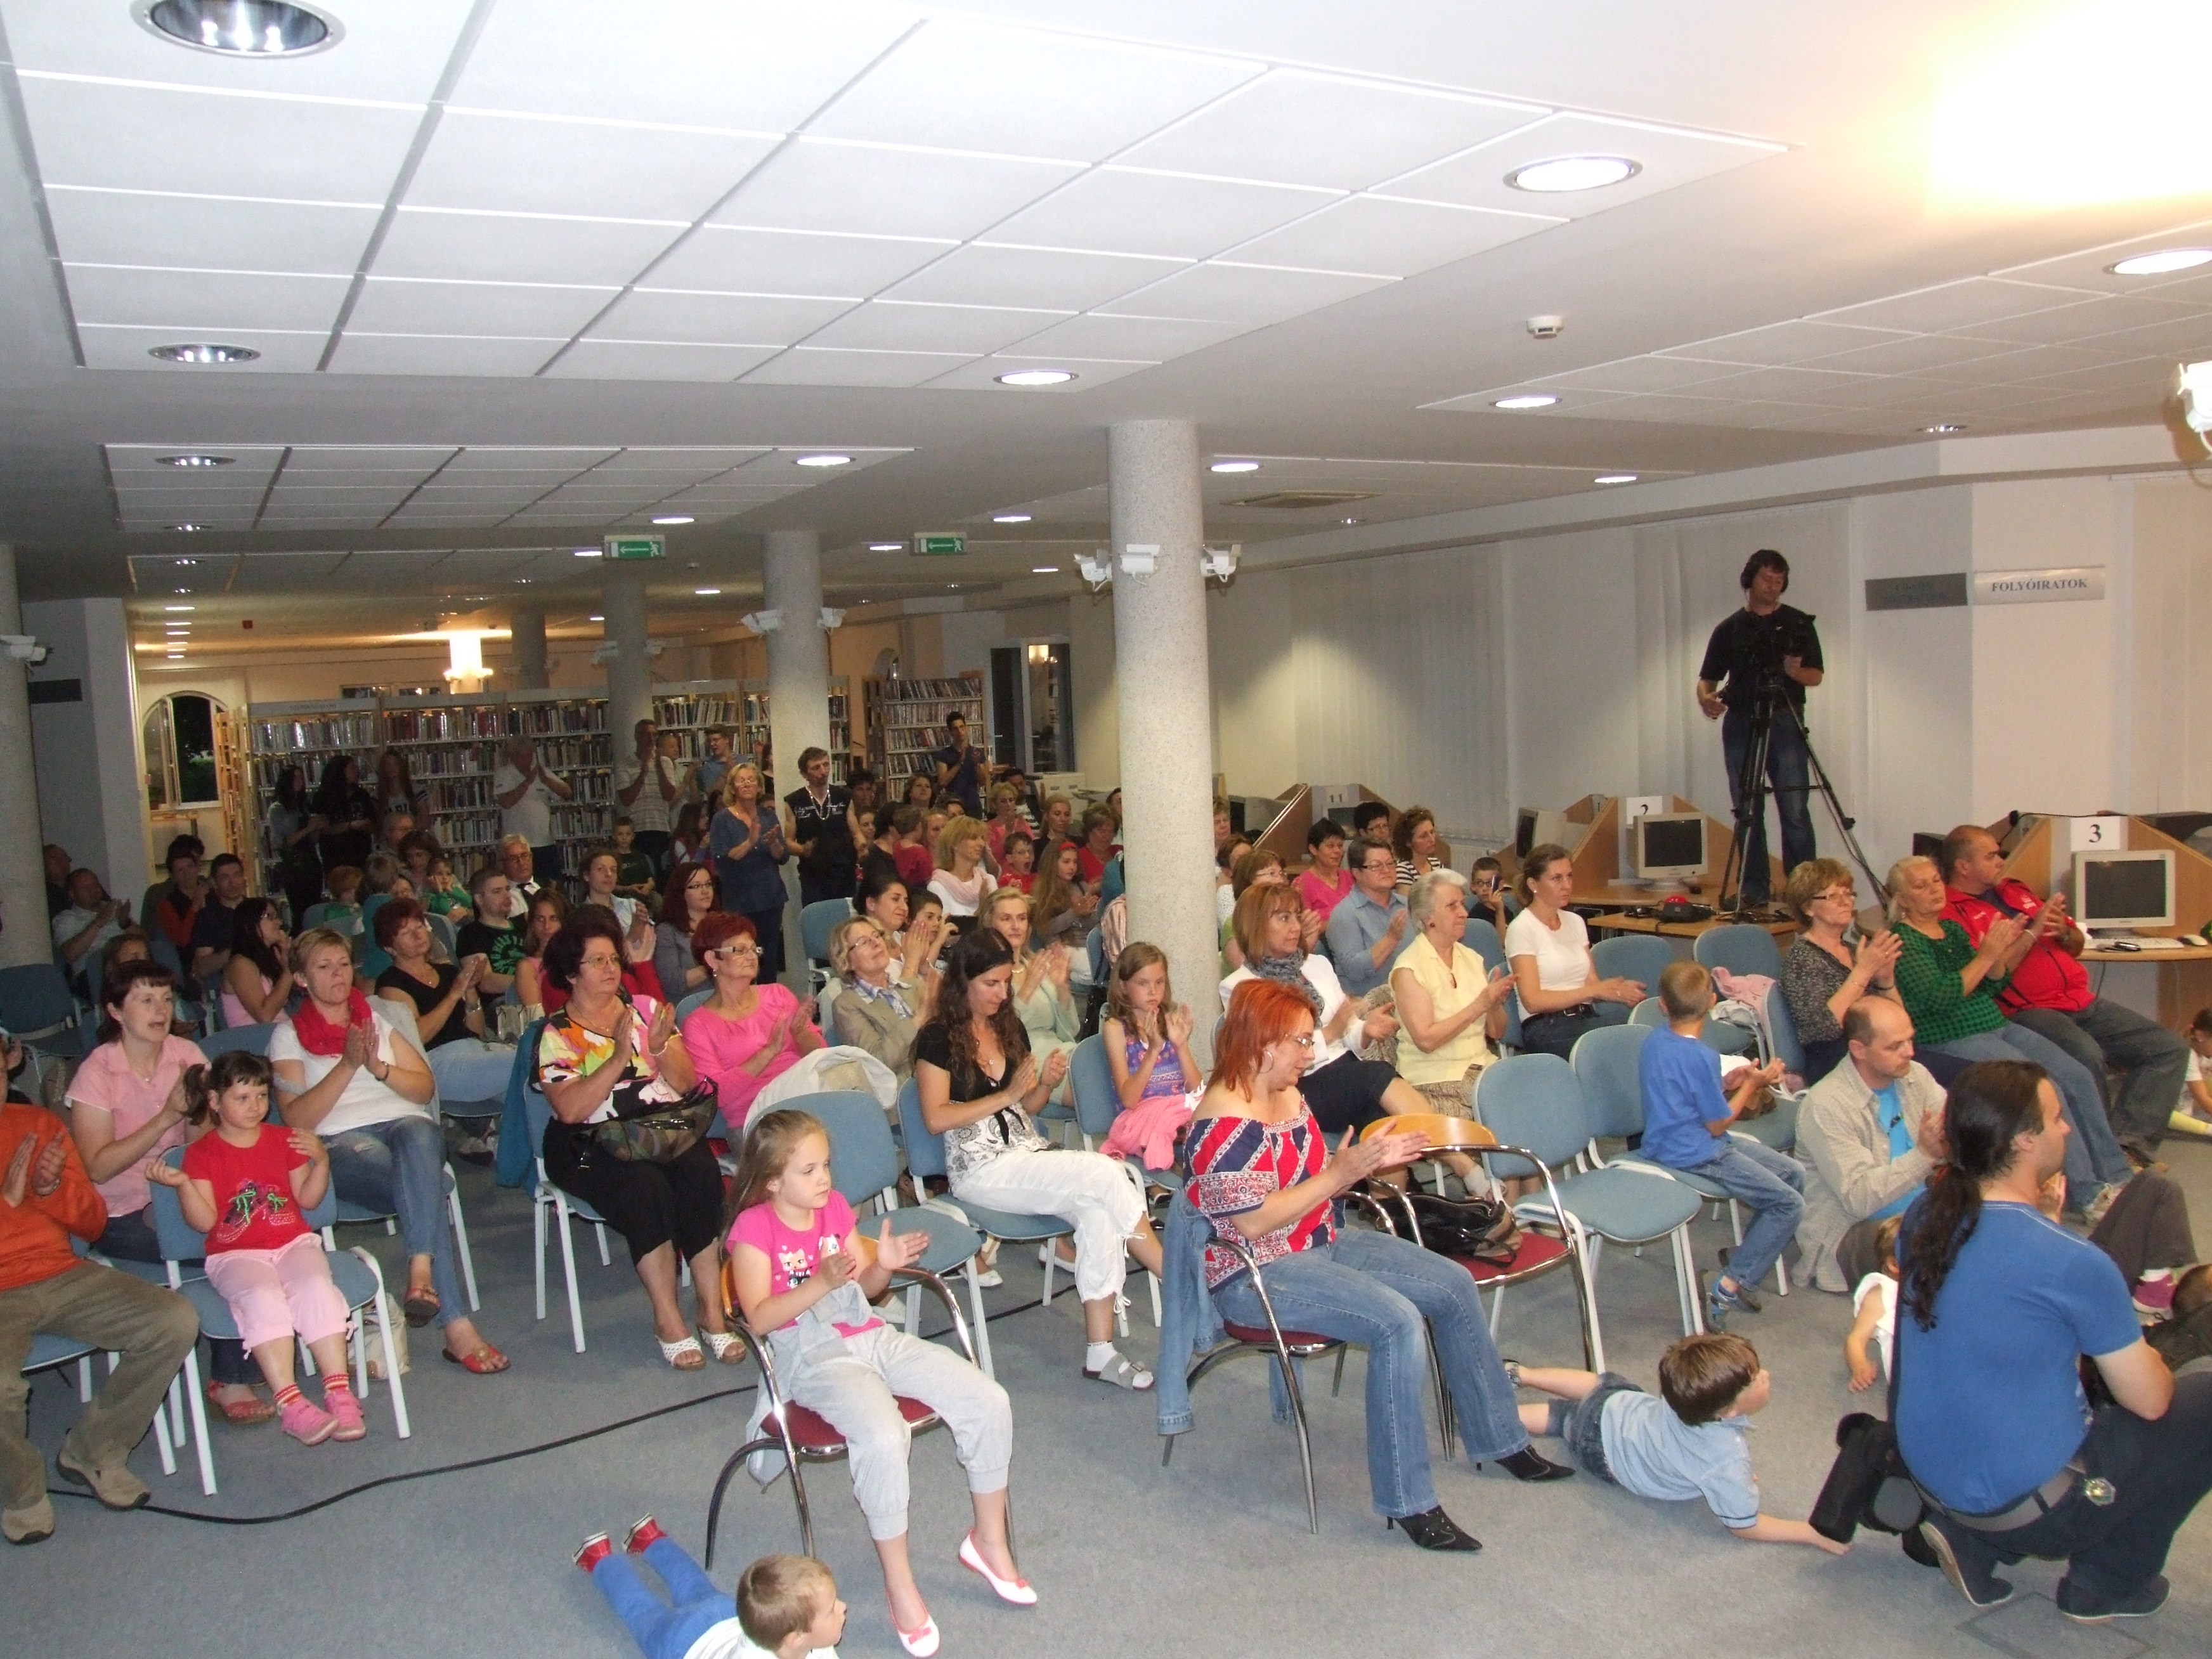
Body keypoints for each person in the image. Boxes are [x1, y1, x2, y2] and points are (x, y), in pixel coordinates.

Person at [1185, 978, 1570, 1549]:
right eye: (1300, 1042)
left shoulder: (1287, 1091)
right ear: (1263, 1045)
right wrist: (1340, 1175)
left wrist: (1364, 1163)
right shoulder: (1221, 1123)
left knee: (1453, 1283)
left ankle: (1501, 1437)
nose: (1311, 1053)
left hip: (1317, 1238)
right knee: (1397, 1322)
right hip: (1256, 1273)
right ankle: (1408, 1502)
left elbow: (1310, 1179)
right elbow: (1253, 1223)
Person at [1897, 1060, 2212, 1623]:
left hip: (1933, 1479)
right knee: (2201, 1401)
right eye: (2057, 1117)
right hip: (2038, 1511)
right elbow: (2150, 1402)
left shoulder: (1926, 1215)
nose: (2067, 1128)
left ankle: (1973, 1540)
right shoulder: (2073, 1262)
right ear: (2024, 1139)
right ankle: (2107, 1580)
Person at [728, 1111, 1024, 1653]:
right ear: (772, 1181)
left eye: (826, 1165)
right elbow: (761, 1319)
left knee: (988, 1399)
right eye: (809, 1170)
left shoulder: (835, 1209)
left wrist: (881, 1266)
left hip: (869, 1336)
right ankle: (900, 1583)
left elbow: (865, 1293)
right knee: (885, 1435)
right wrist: (819, 1283)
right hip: (811, 1357)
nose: (824, 1178)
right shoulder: (753, 1229)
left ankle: (987, 1541)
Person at [916, 930, 1164, 1389]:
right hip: (980, 1168)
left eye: (1006, 982)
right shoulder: (937, 1038)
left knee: (1098, 1210)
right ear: (963, 982)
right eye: (991, 983)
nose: (1002, 993)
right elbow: (935, 1118)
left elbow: (1027, 1107)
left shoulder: (1008, 1026)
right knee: (1106, 1173)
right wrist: (1006, 1095)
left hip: (1025, 1153)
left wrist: (1045, 1085)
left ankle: (1101, 1352)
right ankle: (1172, 1275)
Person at [270, 928, 505, 1373]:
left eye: (343, 964)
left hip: (403, 1125)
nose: (338, 974)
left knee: (420, 1132)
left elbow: (424, 1087)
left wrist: (379, 1067)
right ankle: (454, 1322)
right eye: (324, 967)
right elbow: (297, 1119)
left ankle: (421, 1272)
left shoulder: (373, 1021)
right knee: (424, 1185)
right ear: (301, 978)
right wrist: (348, 1065)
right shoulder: (288, 1037)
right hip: (341, 1141)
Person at [67, 958, 267, 1425]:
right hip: (121, 1211)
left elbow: (204, 1146)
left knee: (264, 1229)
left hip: (183, 1194)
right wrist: (166, 1118)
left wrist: (196, 1117)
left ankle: (280, 1336)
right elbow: (97, 1168)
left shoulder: (186, 1055)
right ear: (116, 1011)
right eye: (145, 1000)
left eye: (164, 998)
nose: (160, 1010)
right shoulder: (97, 1072)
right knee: (225, 1248)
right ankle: (229, 1376)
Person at [0, 1090, 200, 1544]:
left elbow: (93, 1224)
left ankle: (94, 1450)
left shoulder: (38, 1124)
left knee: (172, 1320)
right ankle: (22, 1491)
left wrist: (51, 1190)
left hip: (60, 1272)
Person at [1887, 854, 2134, 1220]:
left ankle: (2118, 1176)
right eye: (1921, 886)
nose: (1934, 890)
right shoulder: (1904, 941)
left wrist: (1998, 955)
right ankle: (2087, 1191)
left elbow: (1993, 985)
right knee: (2045, 1089)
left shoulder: (1952, 929)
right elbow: (1943, 997)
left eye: (1936, 881)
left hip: (1992, 1023)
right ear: (1902, 899)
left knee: (2078, 1074)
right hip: (1949, 1036)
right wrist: (1986, 956)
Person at [537, 909, 731, 1370]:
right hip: (583, 1144)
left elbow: (686, 1083)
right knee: (645, 1188)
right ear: (571, 974)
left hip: (654, 1127)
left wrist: (659, 1048)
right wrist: (619, 1056)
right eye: (597, 961)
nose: (610, 969)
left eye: (613, 959)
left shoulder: (644, 1009)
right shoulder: (557, 1033)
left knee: (700, 1172)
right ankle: (668, 1317)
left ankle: (711, 1309)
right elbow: (570, 1110)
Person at [144, 1052, 361, 1447]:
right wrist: (183, 1185)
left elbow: (308, 1200)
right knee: (262, 1297)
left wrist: (321, 1162)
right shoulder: (201, 1154)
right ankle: (290, 1403)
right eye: (242, 1098)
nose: (255, 1106)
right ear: (214, 1101)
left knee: (315, 1287)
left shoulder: (282, 1140)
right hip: (236, 1254)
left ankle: (338, 1391)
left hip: (292, 1242)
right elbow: (204, 1223)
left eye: (261, 1096)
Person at [1940, 824, 2189, 1160]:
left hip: (2078, 999)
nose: (2001, 861)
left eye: (2000, 854)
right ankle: (2101, 1156)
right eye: (1991, 856)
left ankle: (2127, 1147)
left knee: (2168, 1048)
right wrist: (2033, 931)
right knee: (2087, 1056)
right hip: (2027, 1010)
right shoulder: (1952, 913)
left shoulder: (2016, 890)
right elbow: (1990, 974)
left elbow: (2076, 943)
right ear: (1963, 866)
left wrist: (2064, 933)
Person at [1223, 882, 1488, 1192]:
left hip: (1347, 1073)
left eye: (1296, 916)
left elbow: (1348, 1030)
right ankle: (1463, 1164)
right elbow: (1262, 1057)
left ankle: (1393, 1208)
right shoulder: (1239, 986)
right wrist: (1332, 1032)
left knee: (1384, 1123)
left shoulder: (1317, 965)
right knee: (1374, 1075)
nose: (1295, 926)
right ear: (1256, 925)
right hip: (1294, 1086)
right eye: (1284, 918)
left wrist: (1365, 1030)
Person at [1510, 1334, 1848, 1552]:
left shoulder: (1685, 1392)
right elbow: (1746, 1526)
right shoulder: (1726, 1459)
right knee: (1563, 1419)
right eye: (1756, 1380)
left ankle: (1522, 1374)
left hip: (1620, 1407)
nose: (1766, 1377)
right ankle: (1498, 1421)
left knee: (1599, 1385)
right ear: (1728, 1412)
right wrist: (1808, 1533)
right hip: (1602, 1452)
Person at [1639, 961, 1802, 1330]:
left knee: (1792, 1173)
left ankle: (1745, 1256)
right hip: (1697, 1152)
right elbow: (1718, 1124)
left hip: (1674, 1140)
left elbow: (1685, 1094)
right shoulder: (1701, 1056)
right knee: (1789, 1203)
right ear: (1713, 1001)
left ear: (1662, 1004)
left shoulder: (1654, 1041)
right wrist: (1752, 1085)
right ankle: (1727, 1286)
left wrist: (1727, 1084)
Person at [1695, 548, 1823, 908]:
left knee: (1794, 806)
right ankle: (1754, 887)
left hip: (1784, 716)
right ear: (1750, 579)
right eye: (1767, 578)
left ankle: (1804, 890)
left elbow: (1816, 675)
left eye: (1780, 580)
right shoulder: (1729, 629)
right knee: (1747, 808)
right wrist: (1706, 699)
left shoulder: (1798, 624)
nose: (1773, 586)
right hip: (1741, 720)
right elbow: (1708, 678)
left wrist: (1794, 671)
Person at [1795, 998, 1945, 1292]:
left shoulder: (1915, 1076)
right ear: (1859, 1049)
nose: (1910, 1052)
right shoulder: (1826, 1105)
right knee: (1948, 1244)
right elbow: (1860, 1198)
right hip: (1852, 1232)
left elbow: (1952, 1129)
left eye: (1910, 1040)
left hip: (1922, 1206)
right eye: (1895, 1046)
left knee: (1999, 1216)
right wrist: (1925, 1156)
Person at [575, 1538, 845, 1659]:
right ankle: (602, 1559)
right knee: (642, 1612)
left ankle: (653, 1540)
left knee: (692, 1584)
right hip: (683, 1643)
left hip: (726, 1614)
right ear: (796, 1637)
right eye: (832, 1610)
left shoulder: (815, 1644)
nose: (843, 1607)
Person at [682, 914, 824, 1135]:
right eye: (740, 950)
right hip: (758, 1121)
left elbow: (821, 1055)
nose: (752, 957)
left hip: (807, 1098)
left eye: (754, 949)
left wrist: (801, 1033)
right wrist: (769, 1051)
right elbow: (715, 1096)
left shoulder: (778, 994)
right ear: (712, 959)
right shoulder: (698, 1025)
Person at [1506, 842, 1642, 1058]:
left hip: (1583, 1016)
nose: (1567, 885)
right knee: (1623, 1043)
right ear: (1533, 884)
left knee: (1640, 1028)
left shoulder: (1575, 922)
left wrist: (1617, 991)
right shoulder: (1522, 928)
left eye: (1569, 877)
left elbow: (1591, 982)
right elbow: (1533, 1001)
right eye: (1557, 879)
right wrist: (1592, 992)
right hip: (1545, 1026)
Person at [1390, 869, 1510, 1113]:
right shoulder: (1409, 969)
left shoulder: (1472, 959)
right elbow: (1426, 1041)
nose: (1464, 913)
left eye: (1463, 904)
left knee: (1534, 1092)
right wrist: (1480, 1004)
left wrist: (1494, 1003)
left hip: (1481, 1067)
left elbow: (1496, 1032)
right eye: (1452, 906)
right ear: (1427, 918)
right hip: (1435, 1077)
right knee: (1508, 1107)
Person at [373, 899, 511, 1103]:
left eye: (419, 927)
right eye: (406, 933)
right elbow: (416, 1037)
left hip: (478, 1052)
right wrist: (454, 994)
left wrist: (470, 988)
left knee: (533, 1090)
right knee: (532, 1059)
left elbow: (478, 1031)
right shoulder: (391, 984)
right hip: (440, 1062)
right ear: (390, 948)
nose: (418, 935)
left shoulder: (448, 972)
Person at [1778, 857, 1903, 1084]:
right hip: (1836, 1062)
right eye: (1833, 896)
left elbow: (1900, 1022)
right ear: (1808, 908)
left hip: (1876, 1051)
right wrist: (1863, 972)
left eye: (1848, 894)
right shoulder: (1801, 958)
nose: (1846, 902)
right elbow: (1822, 1030)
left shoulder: (1854, 951)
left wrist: (1886, 980)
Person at [982, 890, 1076, 1097]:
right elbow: (997, 1032)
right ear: (989, 924)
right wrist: (1028, 987)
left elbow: (1071, 1029)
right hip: (1025, 1063)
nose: (1016, 926)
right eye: (1006, 919)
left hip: (1061, 1052)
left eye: (1022, 918)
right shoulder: (982, 974)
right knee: (1101, 1088)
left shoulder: (1035, 964)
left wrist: (1062, 988)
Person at [711, 763, 790, 984]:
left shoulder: (768, 816)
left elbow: (783, 857)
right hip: (740, 899)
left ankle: (768, 998)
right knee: (743, 957)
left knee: (768, 957)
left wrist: (774, 844)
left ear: (759, 787)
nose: (747, 784)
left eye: (751, 780)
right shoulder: (722, 819)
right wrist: (750, 842)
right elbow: (722, 859)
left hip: (770, 897)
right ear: (732, 788)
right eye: (741, 780)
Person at [1102, 943, 1200, 1119]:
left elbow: (1197, 1091)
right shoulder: (1116, 1028)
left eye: (1159, 982)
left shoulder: (1171, 1021)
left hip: (1179, 1113)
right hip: (1141, 1118)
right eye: (1143, 983)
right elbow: (1129, 1100)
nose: (1153, 991)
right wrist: (1153, 1050)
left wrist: (1182, 1046)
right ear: (1123, 986)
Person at [828, 918, 929, 1083]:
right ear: (846, 960)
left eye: (876, 936)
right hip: (908, 1086)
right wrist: (918, 1020)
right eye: (864, 942)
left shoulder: (912, 986)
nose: (876, 943)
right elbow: (877, 1062)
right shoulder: (847, 1005)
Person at [1324, 838, 1413, 999]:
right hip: (1369, 1003)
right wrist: (1391, 939)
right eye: (1376, 866)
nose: (1386, 870)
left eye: (1390, 863)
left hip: (1413, 994)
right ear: (1357, 873)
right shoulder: (1345, 914)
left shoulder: (1407, 905)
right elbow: (1355, 971)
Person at [782, 747, 854, 910]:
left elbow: (856, 831)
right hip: (813, 875)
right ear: (804, 774)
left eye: (826, 765)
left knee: (846, 918)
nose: (823, 771)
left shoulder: (843, 796)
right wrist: (802, 849)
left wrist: (862, 846)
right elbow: (788, 842)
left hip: (844, 871)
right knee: (817, 917)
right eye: (816, 768)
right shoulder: (794, 801)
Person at [495, 738, 574, 880]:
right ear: (513, 756)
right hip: (517, 846)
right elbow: (506, 802)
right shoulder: (504, 774)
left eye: (530, 755)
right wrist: (527, 782)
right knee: (519, 883)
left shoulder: (541, 771)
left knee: (550, 884)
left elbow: (567, 793)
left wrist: (546, 780)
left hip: (544, 842)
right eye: (524, 756)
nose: (529, 759)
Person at [1844, 1215, 1904, 1391]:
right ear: (1894, 1264)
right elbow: (1856, 1339)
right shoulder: (1881, 1294)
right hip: (1908, 1370)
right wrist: (1860, 1367)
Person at [615, 719, 680, 876]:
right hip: (636, 830)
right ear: (637, 736)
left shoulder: (665, 763)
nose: (650, 738)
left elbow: (669, 795)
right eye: (645, 734)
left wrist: (658, 766)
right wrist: (642, 774)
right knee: (640, 875)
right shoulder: (625, 764)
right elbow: (626, 799)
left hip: (660, 827)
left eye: (654, 735)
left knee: (661, 875)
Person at [220, 897, 296, 1027]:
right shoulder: (239, 964)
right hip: (256, 1036)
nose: (279, 922)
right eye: (270, 917)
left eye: (277, 917)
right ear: (250, 923)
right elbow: (264, 1015)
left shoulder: (273, 958)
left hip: (279, 1031)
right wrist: (289, 970)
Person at [51, 867, 128, 992]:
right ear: (72, 894)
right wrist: (98, 922)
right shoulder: (66, 918)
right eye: (86, 888)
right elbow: (70, 954)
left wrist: (126, 923)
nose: (93, 890)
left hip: (127, 963)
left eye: (95, 885)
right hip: (94, 972)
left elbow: (146, 940)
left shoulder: (113, 908)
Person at [655, 860, 720, 1000]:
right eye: (696, 886)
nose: (705, 891)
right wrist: (714, 964)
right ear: (680, 892)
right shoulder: (667, 931)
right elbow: (673, 982)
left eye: (708, 884)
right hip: (691, 1003)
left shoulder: (723, 924)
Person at [268, 764, 324, 927]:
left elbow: (313, 839)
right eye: (295, 778)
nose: (300, 781)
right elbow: (281, 843)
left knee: (314, 908)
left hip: (311, 862)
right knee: (299, 911)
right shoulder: (278, 809)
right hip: (294, 866)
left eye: (301, 777)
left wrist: (318, 827)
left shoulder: (305, 805)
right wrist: (308, 828)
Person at [455, 866, 523, 997]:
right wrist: (529, 981)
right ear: (479, 900)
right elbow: (485, 982)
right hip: (501, 1001)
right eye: (497, 891)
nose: (507, 896)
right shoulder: (470, 934)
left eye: (507, 889)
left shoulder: (523, 927)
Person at [185, 852, 249, 983]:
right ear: (214, 883)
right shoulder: (208, 917)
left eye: (237, 875)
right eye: (225, 878)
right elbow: (203, 968)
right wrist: (240, 948)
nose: (233, 883)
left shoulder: (257, 908)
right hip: (228, 981)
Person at [309, 757, 377, 879]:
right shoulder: (323, 797)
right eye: (352, 768)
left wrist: (367, 825)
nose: (357, 771)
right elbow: (323, 828)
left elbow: (373, 822)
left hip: (361, 854)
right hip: (335, 857)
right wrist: (350, 826)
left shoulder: (362, 795)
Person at [141, 834, 207, 955]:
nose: (187, 873)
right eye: (181, 869)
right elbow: (152, 935)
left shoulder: (208, 887)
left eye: (192, 864)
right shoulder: (161, 896)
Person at [514, 889, 573, 1016]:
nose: (547, 926)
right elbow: (537, 1018)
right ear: (532, 924)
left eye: (554, 918)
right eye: (540, 919)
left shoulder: (576, 958)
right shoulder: (527, 967)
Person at [1027, 838, 1096, 946]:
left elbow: (1095, 926)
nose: (1072, 867)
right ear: (1053, 863)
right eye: (1066, 862)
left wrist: (1087, 915)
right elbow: (1043, 930)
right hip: (1061, 947)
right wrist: (1074, 913)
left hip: (1087, 945)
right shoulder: (1043, 889)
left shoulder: (1082, 887)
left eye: (1075, 862)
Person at [927, 816, 996, 921]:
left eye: (982, 838)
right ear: (955, 843)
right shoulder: (938, 887)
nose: (981, 844)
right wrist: (982, 907)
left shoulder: (988, 880)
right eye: (974, 838)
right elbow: (946, 927)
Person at [1295, 818, 1354, 927]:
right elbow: (1302, 927)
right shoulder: (1302, 885)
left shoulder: (1351, 877)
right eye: (1330, 846)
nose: (1337, 851)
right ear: (1313, 849)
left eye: (1340, 846)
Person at [932, 714, 986, 816]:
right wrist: (960, 762)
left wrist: (977, 765)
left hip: (973, 805)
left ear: (966, 728)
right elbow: (942, 782)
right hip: (953, 807)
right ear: (951, 732)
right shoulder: (944, 754)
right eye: (955, 729)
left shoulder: (976, 753)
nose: (960, 731)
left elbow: (983, 782)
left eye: (962, 727)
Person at [581, 847, 643, 934]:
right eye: (601, 869)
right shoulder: (582, 917)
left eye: (613, 870)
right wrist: (632, 935)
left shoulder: (632, 905)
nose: (609, 874)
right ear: (586, 876)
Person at [1391, 806, 1450, 892]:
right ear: (1409, 842)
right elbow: (1408, 900)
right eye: (1423, 836)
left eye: (1432, 832)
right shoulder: (1403, 870)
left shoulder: (1436, 864)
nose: (1432, 839)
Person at [685, 726, 738, 810]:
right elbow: (711, 795)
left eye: (716, 740)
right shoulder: (707, 768)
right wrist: (726, 771)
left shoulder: (742, 760)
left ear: (726, 740)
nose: (712, 744)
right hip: (721, 811)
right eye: (709, 741)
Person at [1467, 855, 1513, 944]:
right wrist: (1499, 911)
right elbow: (1500, 944)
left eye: (1490, 883)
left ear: (1500, 885)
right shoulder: (1476, 916)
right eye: (1479, 883)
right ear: (1473, 886)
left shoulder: (1507, 911)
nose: (1484, 888)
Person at [372, 747, 422, 826]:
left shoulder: (416, 790)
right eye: (388, 765)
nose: (392, 768)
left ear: (401, 766)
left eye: (395, 764)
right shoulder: (377, 796)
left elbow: (424, 819)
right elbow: (378, 824)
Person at [611, 818, 657, 901]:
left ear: (633, 836)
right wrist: (628, 888)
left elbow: (651, 880)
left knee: (658, 900)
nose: (624, 838)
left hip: (644, 892)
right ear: (614, 837)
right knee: (632, 902)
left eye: (628, 834)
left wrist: (648, 887)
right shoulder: (611, 858)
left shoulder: (640, 856)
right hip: (624, 895)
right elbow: (611, 886)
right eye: (620, 834)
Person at [1074, 806, 1118, 887]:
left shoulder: (1120, 852)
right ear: (1089, 831)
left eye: (1111, 831)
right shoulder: (1078, 858)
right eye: (1102, 831)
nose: (1107, 836)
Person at [996, 829, 1036, 894]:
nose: (1028, 855)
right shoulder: (1005, 881)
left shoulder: (1037, 879)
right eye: (1021, 852)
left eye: (1030, 852)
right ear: (1010, 858)